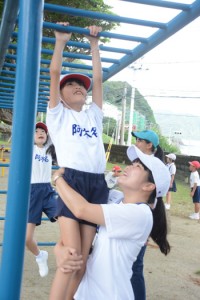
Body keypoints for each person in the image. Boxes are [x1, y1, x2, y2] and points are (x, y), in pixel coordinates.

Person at [52, 144, 171, 300]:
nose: (129, 167)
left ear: (148, 186)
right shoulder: (115, 200)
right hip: (85, 294)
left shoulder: (140, 214)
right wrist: (59, 248)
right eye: (131, 163)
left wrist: (58, 178)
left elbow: (80, 209)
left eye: (137, 166)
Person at [46, 23, 109, 299]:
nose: (77, 87)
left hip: (96, 184)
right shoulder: (58, 116)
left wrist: (94, 45)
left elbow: (97, 79)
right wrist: (61, 41)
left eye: (79, 85)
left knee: (82, 262)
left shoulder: (93, 115)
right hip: (71, 180)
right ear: (60, 96)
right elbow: (55, 72)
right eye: (70, 85)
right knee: (71, 255)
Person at [130, 129, 164, 300]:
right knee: (134, 268)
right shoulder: (145, 162)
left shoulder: (151, 166)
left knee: (134, 268)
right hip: (139, 218)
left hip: (139, 219)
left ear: (149, 145)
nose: (137, 142)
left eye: (140, 140)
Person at [26, 122, 57, 277]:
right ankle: (40, 256)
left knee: (64, 215)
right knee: (27, 238)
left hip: (47, 190)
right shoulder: (29, 149)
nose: (40, 132)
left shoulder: (49, 149)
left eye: (43, 131)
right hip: (31, 192)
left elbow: (56, 126)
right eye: (36, 131)